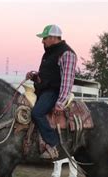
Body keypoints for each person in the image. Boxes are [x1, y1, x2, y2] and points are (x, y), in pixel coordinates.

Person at [26, 24, 77, 159]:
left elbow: (67, 81)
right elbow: (47, 76)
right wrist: (35, 77)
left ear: (54, 38)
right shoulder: (49, 53)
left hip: (54, 92)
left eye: (45, 38)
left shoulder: (67, 54)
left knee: (37, 113)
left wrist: (60, 102)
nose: (42, 41)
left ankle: (53, 143)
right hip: (43, 91)